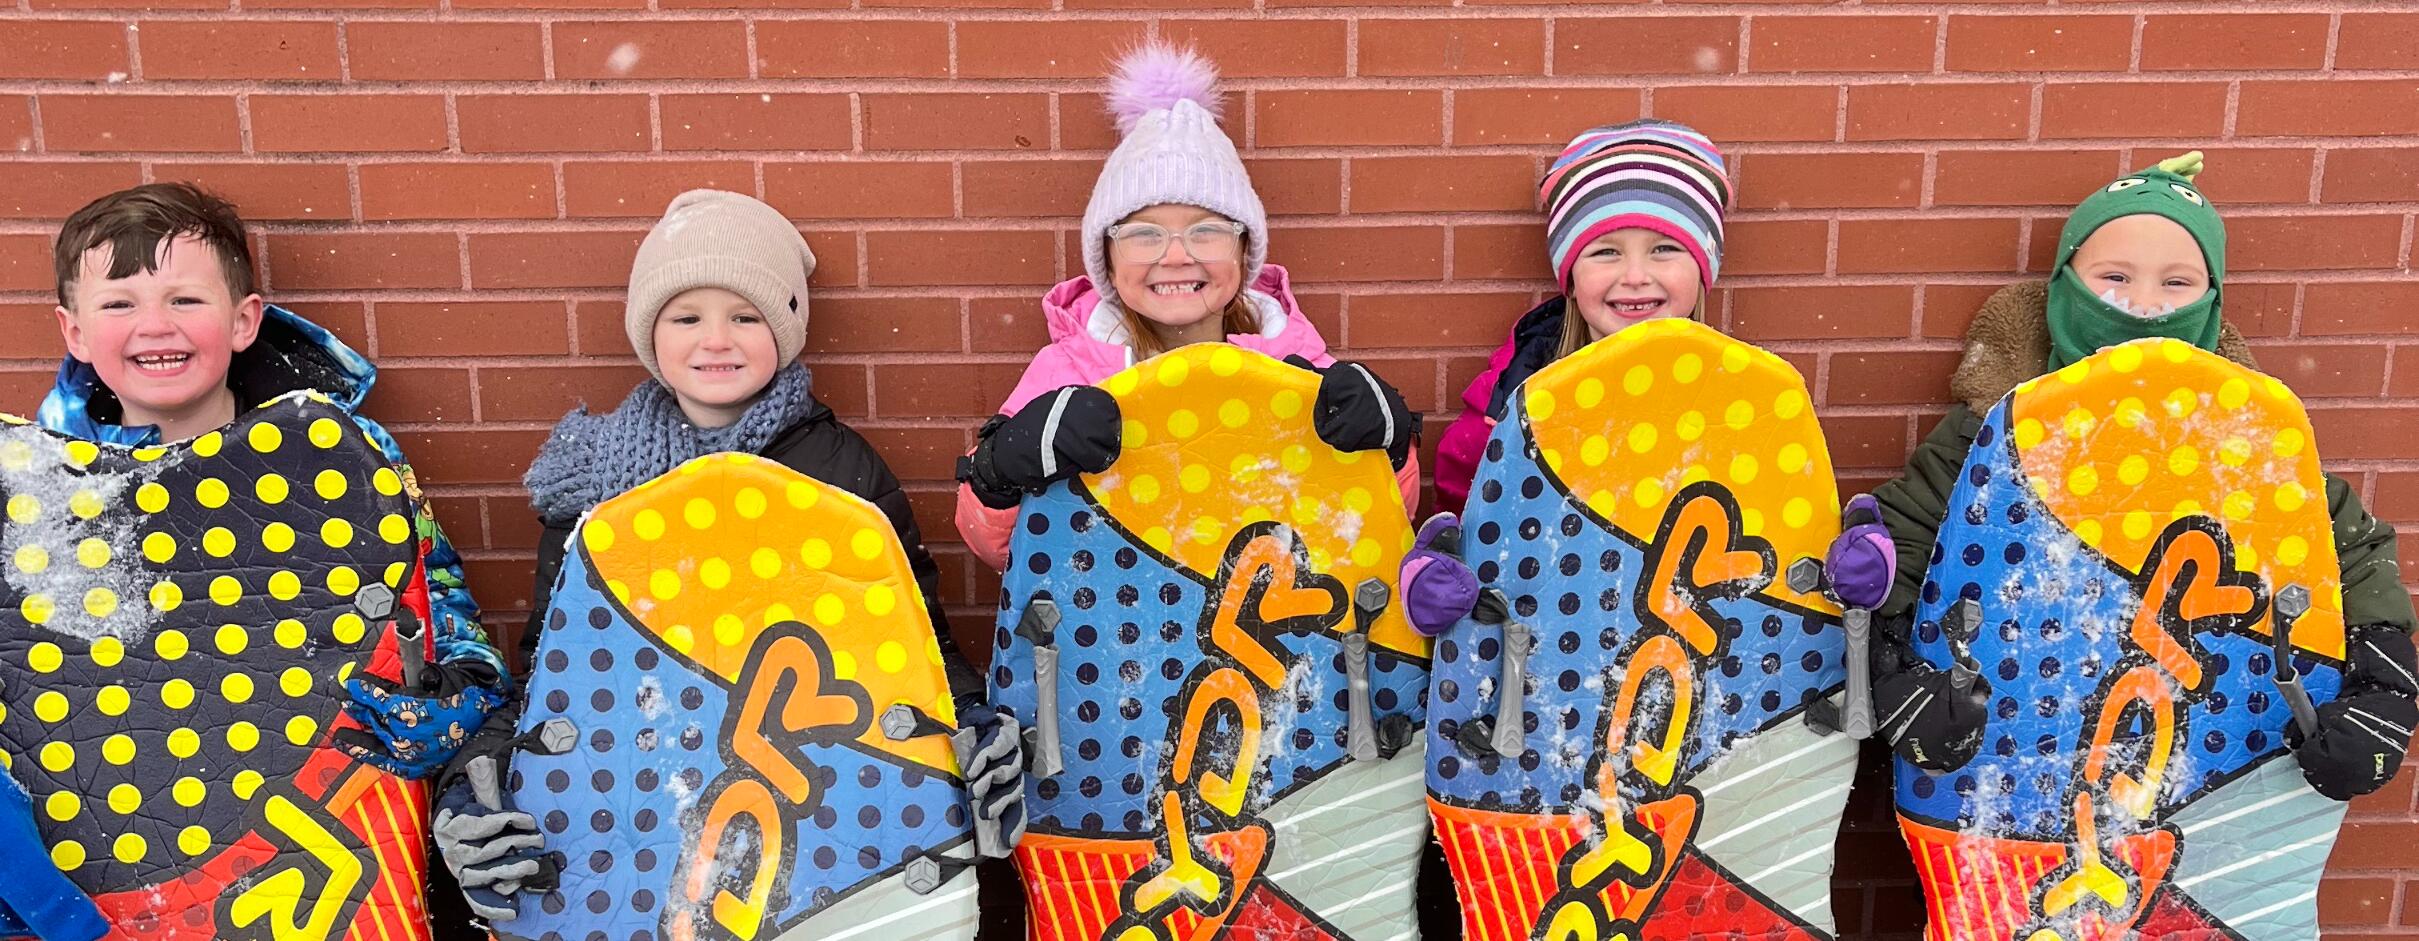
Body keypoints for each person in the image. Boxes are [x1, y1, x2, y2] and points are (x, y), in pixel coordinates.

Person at [427, 189, 1015, 926]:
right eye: (686, 317)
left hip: (814, 802)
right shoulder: (595, 481)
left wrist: (966, 725)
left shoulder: (837, 472)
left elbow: (911, 640)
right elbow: (549, 664)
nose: (716, 340)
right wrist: (478, 776)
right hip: (637, 802)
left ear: (785, 330)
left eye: (746, 316)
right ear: (649, 334)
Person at [1825, 153, 2417, 800]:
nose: (2141, 305)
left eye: (2175, 284)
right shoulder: (1988, 432)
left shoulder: (2250, 443)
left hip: (2202, 765)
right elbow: (1902, 546)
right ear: (2063, 285)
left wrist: (2381, 696)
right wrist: (1895, 679)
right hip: (2013, 762)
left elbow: (2349, 554)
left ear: (2212, 302)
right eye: (2113, 276)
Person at [31, 181, 510, 936]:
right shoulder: (33, 503)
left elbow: (455, 647)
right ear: (75, 331)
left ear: (246, 318)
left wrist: (435, 719)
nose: (154, 326)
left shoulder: (348, 467)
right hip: (111, 898)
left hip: (323, 862)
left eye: (185, 299)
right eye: (119, 304)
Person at [951, 42, 1420, 567]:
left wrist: (1391, 452)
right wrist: (1000, 468)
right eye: (1144, 234)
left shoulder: (1299, 365)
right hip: (1110, 628)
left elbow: (1373, 527)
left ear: (1245, 253)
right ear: (1106, 256)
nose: (1176, 256)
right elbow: (993, 548)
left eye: (1207, 231)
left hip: (1274, 634)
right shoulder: (1067, 372)